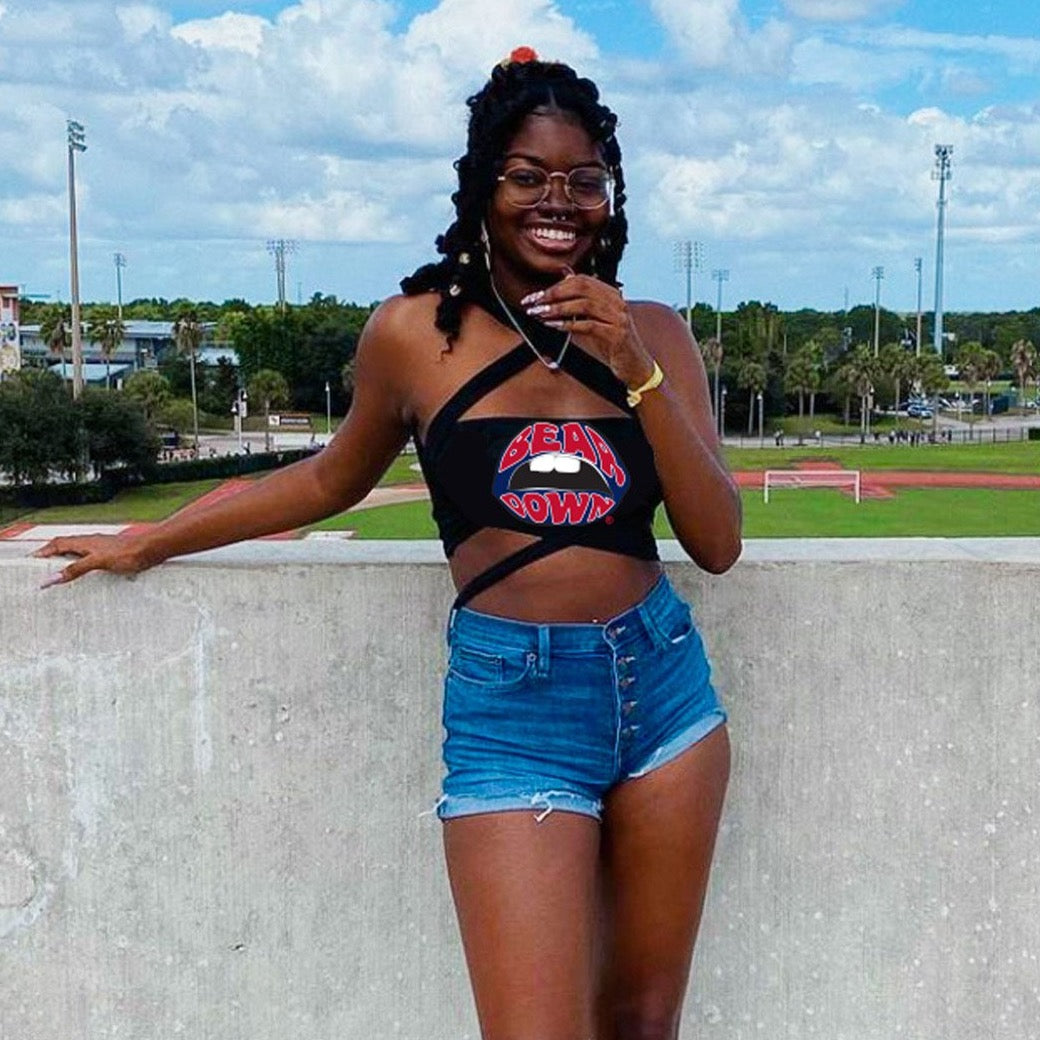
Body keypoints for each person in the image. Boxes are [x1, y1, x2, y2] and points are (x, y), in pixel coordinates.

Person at [37, 49, 741, 1040]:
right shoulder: (415, 334)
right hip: (514, 706)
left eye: (584, 181)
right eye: (528, 176)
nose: (558, 201)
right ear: (483, 185)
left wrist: (634, 366)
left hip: (661, 687)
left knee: (640, 1020)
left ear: (608, 197)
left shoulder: (656, 333)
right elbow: (329, 478)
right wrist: (152, 540)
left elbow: (716, 540)